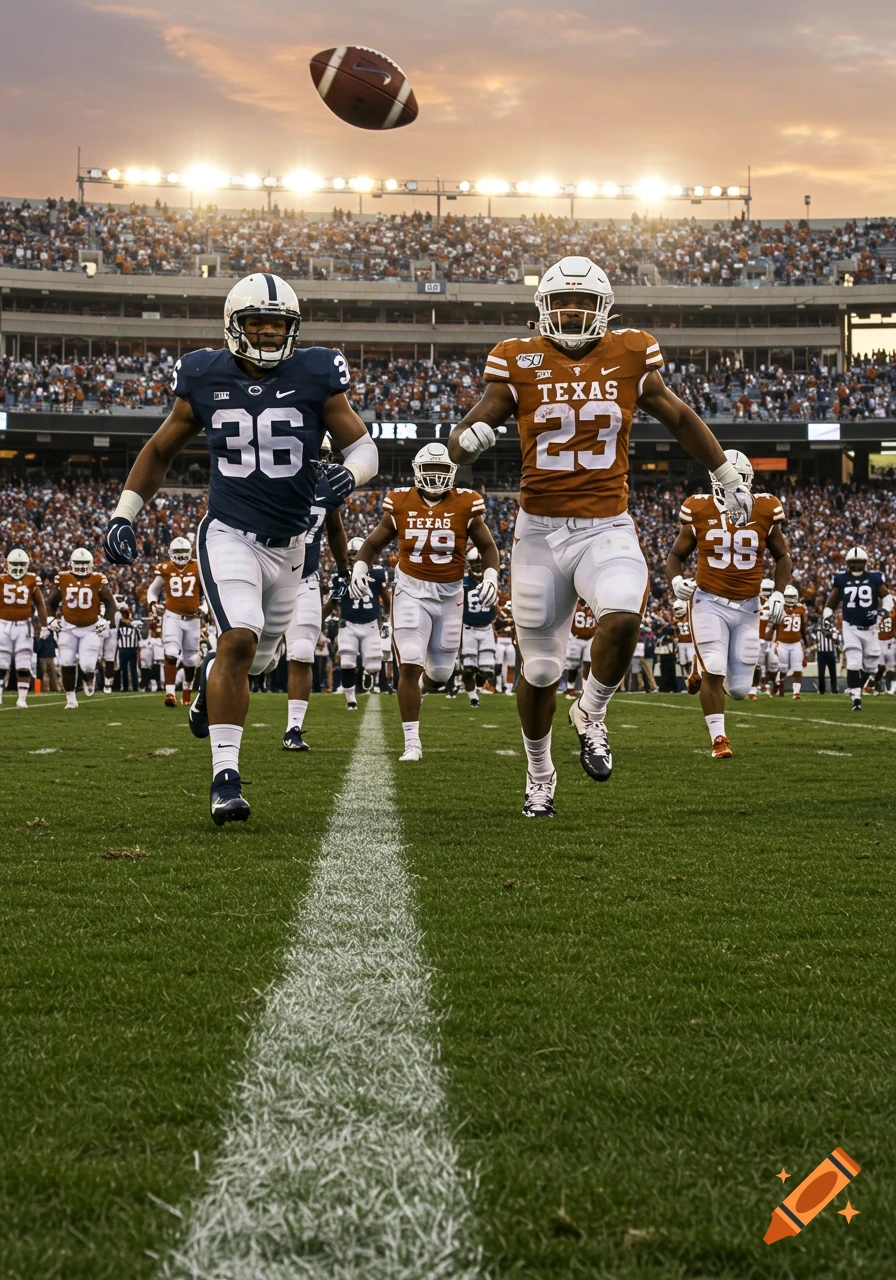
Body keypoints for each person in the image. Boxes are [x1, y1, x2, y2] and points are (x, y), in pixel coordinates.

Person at [448, 255, 753, 816]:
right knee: (539, 669)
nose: (570, 311)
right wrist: (466, 443)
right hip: (539, 532)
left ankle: (591, 711)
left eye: (583, 303)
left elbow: (680, 417)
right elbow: (467, 430)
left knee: (622, 616)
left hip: (606, 525)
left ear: (603, 309)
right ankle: (540, 774)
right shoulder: (516, 359)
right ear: (543, 307)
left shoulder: (632, 352)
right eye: (561, 302)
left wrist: (723, 471)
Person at [101, 272, 378, 824]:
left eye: (280, 326)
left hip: (293, 544)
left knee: (262, 658)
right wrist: (123, 514)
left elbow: (364, 447)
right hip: (229, 532)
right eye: (260, 324)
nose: (272, 335)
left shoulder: (317, 372)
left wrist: (348, 478)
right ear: (235, 326)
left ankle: (211, 682)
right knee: (239, 638)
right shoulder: (204, 375)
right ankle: (225, 777)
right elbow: (159, 450)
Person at [350, 442, 499, 761]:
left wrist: (491, 576)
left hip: (450, 594)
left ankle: (419, 693)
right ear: (417, 471)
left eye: (441, 470)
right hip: (411, 591)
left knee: (442, 674)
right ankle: (412, 742)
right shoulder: (400, 501)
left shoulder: (466, 503)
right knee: (411, 662)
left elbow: (487, 547)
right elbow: (374, 542)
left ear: (453, 472)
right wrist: (359, 568)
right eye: (428, 470)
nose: (434, 477)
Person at [666, 452, 792, 757]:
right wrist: (676, 582)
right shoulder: (698, 508)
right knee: (715, 666)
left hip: (749, 605)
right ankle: (719, 738)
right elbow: (675, 556)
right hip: (709, 601)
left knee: (738, 690)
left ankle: (700, 664)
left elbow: (783, 557)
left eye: (741, 478)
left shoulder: (765, 507)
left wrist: (777, 592)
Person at [282, 456, 350, 750]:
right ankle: (210, 687)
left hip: (306, 579)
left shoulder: (326, 488)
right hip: (265, 578)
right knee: (256, 659)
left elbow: (334, 528)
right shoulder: (269, 478)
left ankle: (293, 729)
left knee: (302, 651)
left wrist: (344, 570)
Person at [45, 549, 119, 709]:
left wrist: (106, 620)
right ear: (71, 563)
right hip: (68, 626)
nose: (81, 566)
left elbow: (110, 603)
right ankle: (71, 699)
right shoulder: (62, 578)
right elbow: (50, 601)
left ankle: (89, 678)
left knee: (87, 665)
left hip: (90, 627)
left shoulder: (98, 579)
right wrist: (50, 618)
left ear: (91, 564)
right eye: (78, 563)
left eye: (84, 563)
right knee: (66, 662)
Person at [823, 546, 893, 711]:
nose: (856, 566)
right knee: (853, 662)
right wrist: (826, 617)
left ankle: (856, 687)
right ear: (848, 564)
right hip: (850, 626)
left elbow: (887, 597)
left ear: (865, 563)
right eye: (853, 563)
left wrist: (883, 611)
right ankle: (856, 697)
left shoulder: (875, 578)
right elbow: (831, 603)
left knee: (871, 666)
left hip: (871, 627)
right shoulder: (841, 579)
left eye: (859, 563)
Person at [326, 536, 390, 711]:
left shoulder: (377, 574)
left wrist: (390, 618)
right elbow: (333, 602)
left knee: (375, 664)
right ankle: (351, 700)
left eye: (357, 554)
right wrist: (318, 620)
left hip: (370, 624)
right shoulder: (340, 576)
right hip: (349, 625)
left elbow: (386, 597)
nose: (354, 559)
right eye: (351, 555)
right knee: (347, 662)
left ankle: (371, 680)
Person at [147, 535, 202, 707]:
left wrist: (205, 608)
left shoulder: (198, 567)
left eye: (183, 551)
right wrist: (153, 604)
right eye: (177, 551)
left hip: (193, 619)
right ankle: (170, 694)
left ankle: (187, 689)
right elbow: (153, 590)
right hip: (172, 616)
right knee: (170, 653)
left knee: (191, 660)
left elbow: (209, 592)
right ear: (171, 552)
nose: (180, 555)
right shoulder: (165, 568)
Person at [0, 548, 49, 708]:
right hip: (4, 624)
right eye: (15, 564)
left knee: (23, 662)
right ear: (8, 564)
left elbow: (40, 605)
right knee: (1, 661)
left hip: (24, 625)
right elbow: (41, 606)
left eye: (21, 564)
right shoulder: (1, 580)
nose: (19, 567)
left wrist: (44, 626)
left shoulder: (32, 580)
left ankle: (22, 698)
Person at [460, 546, 498, 708]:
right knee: (468, 669)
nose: (478, 566)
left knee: (487, 671)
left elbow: (495, 607)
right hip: (468, 628)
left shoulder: (490, 582)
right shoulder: (463, 583)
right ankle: (473, 696)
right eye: (475, 563)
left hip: (487, 628)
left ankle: (479, 687)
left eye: (480, 563)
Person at [770, 583, 808, 699]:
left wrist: (805, 644)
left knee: (798, 668)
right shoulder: (779, 607)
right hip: (782, 643)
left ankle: (796, 692)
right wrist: (775, 641)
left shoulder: (801, 608)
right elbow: (774, 626)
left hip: (796, 643)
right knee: (783, 669)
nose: (789, 599)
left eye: (792, 597)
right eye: (787, 597)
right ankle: (777, 682)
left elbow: (803, 627)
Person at [749, 577, 775, 698]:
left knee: (772, 664)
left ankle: (765, 685)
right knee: (757, 664)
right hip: (758, 637)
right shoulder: (755, 601)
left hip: (772, 639)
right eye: (765, 589)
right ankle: (754, 687)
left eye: (770, 590)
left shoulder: (775, 603)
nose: (767, 592)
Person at [564, 599, 596, 699]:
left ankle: (585, 690)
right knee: (572, 665)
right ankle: (570, 689)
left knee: (588, 663)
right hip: (575, 637)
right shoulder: (574, 604)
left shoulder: (595, 603)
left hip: (590, 637)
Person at [116, 608, 141, 691]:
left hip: (123, 649)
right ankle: (135, 687)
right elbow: (139, 639)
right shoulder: (134, 628)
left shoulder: (119, 629)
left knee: (124, 669)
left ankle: (126, 687)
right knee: (133, 669)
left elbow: (116, 639)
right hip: (132, 649)